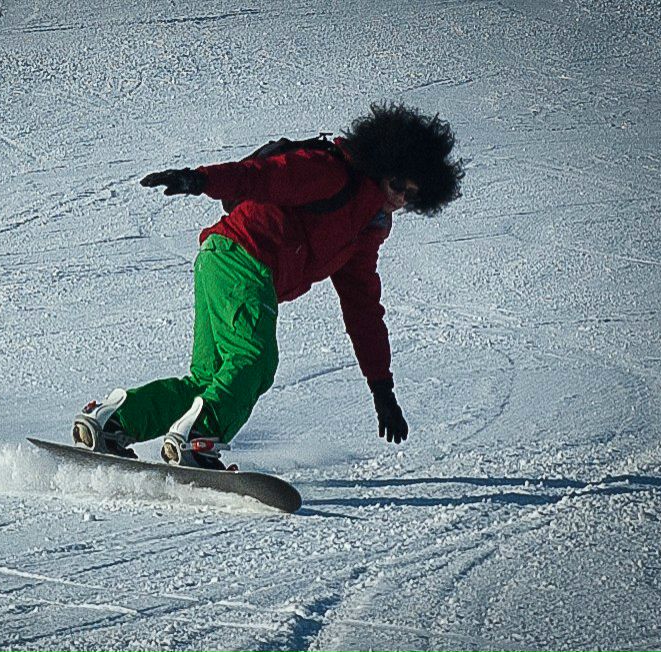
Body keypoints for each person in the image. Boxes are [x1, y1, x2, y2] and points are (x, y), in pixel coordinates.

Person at [72, 102, 465, 469]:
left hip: (220, 259)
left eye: (412, 195)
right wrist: (201, 179)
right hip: (245, 257)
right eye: (397, 183)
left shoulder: (364, 232)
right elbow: (263, 178)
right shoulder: (331, 173)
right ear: (381, 164)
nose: (399, 198)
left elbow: (363, 308)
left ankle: (113, 421)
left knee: (210, 380)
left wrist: (381, 387)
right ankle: (198, 440)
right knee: (253, 361)